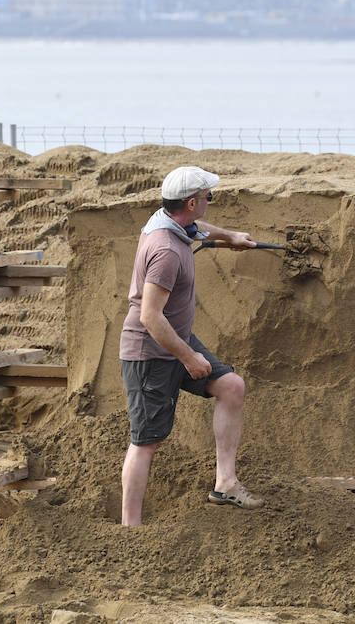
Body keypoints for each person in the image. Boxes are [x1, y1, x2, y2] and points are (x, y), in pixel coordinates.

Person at [119, 165, 263, 525]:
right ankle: (129, 528)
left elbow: (199, 229)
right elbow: (151, 317)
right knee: (145, 442)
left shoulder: (170, 221)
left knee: (231, 386)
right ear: (191, 201)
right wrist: (188, 358)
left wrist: (230, 236)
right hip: (150, 353)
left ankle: (225, 484)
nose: (210, 201)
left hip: (176, 341)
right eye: (208, 197)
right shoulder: (166, 249)